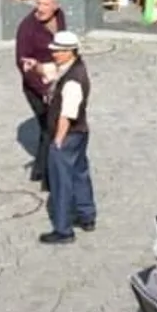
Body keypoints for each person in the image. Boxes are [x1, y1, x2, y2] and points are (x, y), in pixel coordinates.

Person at [39, 30, 96, 244]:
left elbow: (67, 114)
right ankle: (87, 216)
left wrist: (58, 141)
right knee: (81, 174)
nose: (54, 53)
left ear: (70, 51)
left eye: (58, 51)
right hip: (81, 133)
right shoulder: (75, 67)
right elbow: (52, 71)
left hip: (68, 136)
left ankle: (63, 230)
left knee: (61, 183)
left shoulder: (73, 80)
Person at [15, 0, 65, 188]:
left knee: (49, 128)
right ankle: (48, 179)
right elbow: (23, 63)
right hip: (37, 86)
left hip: (56, 79)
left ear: (55, 6)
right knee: (52, 128)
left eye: (45, 5)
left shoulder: (59, 18)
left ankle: (39, 171)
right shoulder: (27, 28)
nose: (40, 8)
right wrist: (44, 90)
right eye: (38, 4)